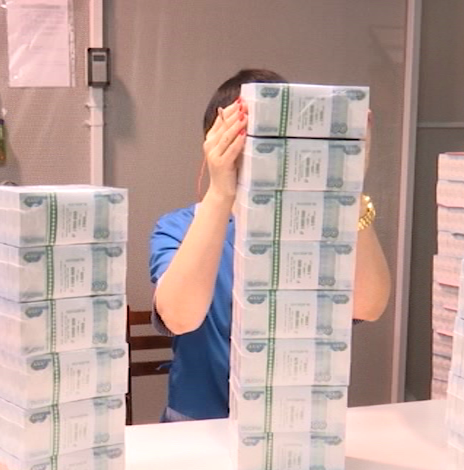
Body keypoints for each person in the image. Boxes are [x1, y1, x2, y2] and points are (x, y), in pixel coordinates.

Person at [149, 69, 392, 422]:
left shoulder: (316, 232)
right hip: (197, 426)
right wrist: (220, 191)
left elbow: (369, 306)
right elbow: (179, 316)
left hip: (292, 423)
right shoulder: (179, 227)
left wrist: (349, 187)